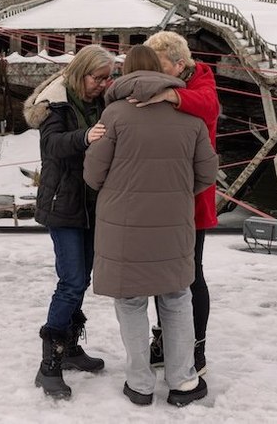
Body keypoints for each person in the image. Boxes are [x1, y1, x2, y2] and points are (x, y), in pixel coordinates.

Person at [83, 45, 219, 407]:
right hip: (173, 223)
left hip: (123, 226)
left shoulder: (113, 115)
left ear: (125, 73)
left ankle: (140, 384)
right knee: (176, 298)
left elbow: (93, 175)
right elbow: (208, 172)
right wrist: (175, 192)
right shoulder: (188, 116)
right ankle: (182, 381)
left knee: (130, 302)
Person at [22, 44, 115, 400]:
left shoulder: (100, 100)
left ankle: (71, 348)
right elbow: (53, 146)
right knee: (72, 281)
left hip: (91, 204)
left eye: (108, 78)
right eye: (98, 78)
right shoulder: (55, 102)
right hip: (64, 204)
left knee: (82, 279)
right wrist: (86, 136)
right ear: (81, 74)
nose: (103, 84)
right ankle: (50, 365)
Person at [134, 31, 221, 376]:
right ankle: (165, 339)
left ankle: (196, 346)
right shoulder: (176, 79)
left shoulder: (201, 83)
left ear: (180, 65)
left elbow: (209, 106)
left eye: (161, 67)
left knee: (191, 273)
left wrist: (171, 95)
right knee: (161, 273)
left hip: (193, 199)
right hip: (163, 197)